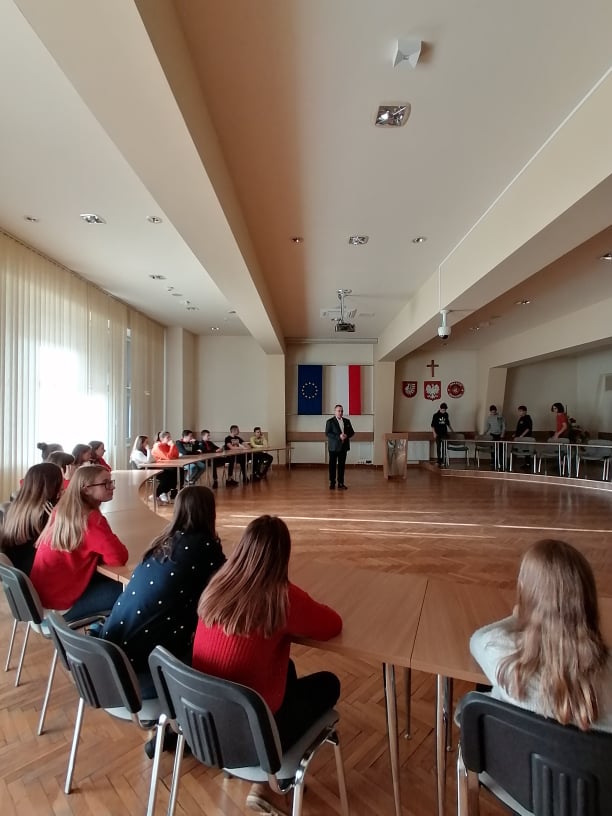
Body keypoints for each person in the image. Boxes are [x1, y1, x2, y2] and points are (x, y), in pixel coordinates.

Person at [193, 515, 342, 814]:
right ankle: (274, 786)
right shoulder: (281, 598)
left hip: (202, 722)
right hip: (253, 736)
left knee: (288, 669)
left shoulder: (217, 586)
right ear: (282, 557)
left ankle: (263, 780)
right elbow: (331, 625)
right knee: (328, 684)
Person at [470, 539, 612, 732]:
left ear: (525, 592)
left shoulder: (505, 658)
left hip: (513, 750)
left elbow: (478, 638)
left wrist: (519, 616)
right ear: (589, 601)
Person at [102, 486, 225, 698]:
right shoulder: (205, 546)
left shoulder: (164, 541)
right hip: (142, 668)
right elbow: (227, 583)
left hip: (111, 655)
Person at [30, 465, 128, 621]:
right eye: (105, 483)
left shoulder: (62, 509)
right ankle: (105, 632)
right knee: (133, 590)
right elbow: (118, 558)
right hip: (58, 608)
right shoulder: (90, 519)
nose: (112, 487)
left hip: (41, 600)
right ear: (86, 489)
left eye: (111, 482)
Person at [0, 463, 64, 574]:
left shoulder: (16, 506)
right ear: (53, 485)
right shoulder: (45, 512)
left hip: (16, 569)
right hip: (35, 571)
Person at [131, 434, 176, 503]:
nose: (148, 444)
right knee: (166, 478)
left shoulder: (144, 451)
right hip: (144, 471)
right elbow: (148, 461)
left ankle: (162, 493)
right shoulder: (137, 453)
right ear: (141, 443)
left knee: (172, 474)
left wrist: (149, 454)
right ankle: (156, 494)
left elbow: (153, 459)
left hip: (150, 469)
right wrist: (149, 450)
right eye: (146, 442)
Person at [325, 404, 355, 489]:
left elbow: (352, 432)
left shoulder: (347, 421)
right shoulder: (330, 421)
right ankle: (332, 483)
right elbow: (327, 433)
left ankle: (341, 483)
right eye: (338, 411)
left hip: (343, 447)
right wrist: (339, 436)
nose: (340, 412)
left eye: (341, 411)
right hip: (333, 447)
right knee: (332, 466)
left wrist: (346, 435)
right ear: (335, 412)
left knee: (342, 466)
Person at [430, 402, 453, 468]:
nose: (443, 411)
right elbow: (432, 425)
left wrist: (452, 430)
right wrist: (434, 433)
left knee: (444, 447)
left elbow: (448, 423)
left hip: (444, 433)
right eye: (443, 410)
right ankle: (438, 461)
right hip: (437, 434)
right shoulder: (435, 415)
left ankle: (443, 460)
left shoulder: (446, 414)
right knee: (438, 447)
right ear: (440, 408)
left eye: (445, 410)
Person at [483, 405, 505, 470]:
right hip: (492, 435)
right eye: (492, 412)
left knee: (500, 449)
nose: (493, 413)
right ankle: (493, 460)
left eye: (494, 412)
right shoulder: (489, 418)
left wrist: (502, 434)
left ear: (496, 411)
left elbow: (504, 426)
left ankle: (501, 462)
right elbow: (488, 427)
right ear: (490, 412)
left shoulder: (500, 417)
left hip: (499, 435)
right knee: (492, 449)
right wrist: (484, 433)